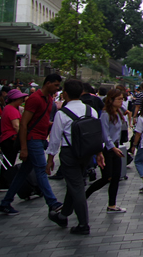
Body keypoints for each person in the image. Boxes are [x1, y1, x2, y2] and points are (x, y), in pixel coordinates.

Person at [46, 79, 106, 235]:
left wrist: (50, 159)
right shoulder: (90, 110)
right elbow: (96, 133)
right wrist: (99, 153)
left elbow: (54, 138)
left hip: (69, 154)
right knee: (75, 183)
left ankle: (83, 224)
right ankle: (63, 215)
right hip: (86, 153)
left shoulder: (62, 113)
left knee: (77, 186)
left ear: (65, 93)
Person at [0, 73, 63, 217]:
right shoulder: (35, 99)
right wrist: (24, 147)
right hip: (33, 139)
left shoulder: (49, 99)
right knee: (40, 170)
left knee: (23, 173)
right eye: (56, 85)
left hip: (39, 139)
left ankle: (5, 202)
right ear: (48, 83)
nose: (57, 88)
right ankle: (52, 202)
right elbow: (24, 124)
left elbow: (40, 120)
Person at [85, 89, 127, 213]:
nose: (121, 101)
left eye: (122, 99)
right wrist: (113, 148)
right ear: (111, 100)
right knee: (106, 177)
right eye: (119, 99)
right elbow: (105, 134)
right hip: (108, 149)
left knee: (116, 177)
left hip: (116, 147)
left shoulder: (118, 113)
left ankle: (112, 205)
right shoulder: (105, 114)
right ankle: (85, 195)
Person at [0, 89, 29, 192]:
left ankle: (4, 182)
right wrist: (23, 136)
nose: (22, 100)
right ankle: (4, 183)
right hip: (10, 139)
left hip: (7, 138)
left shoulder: (8, 108)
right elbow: (16, 125)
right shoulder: (11, 109)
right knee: (9, 162)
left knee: (8, 161)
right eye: (20, 98)